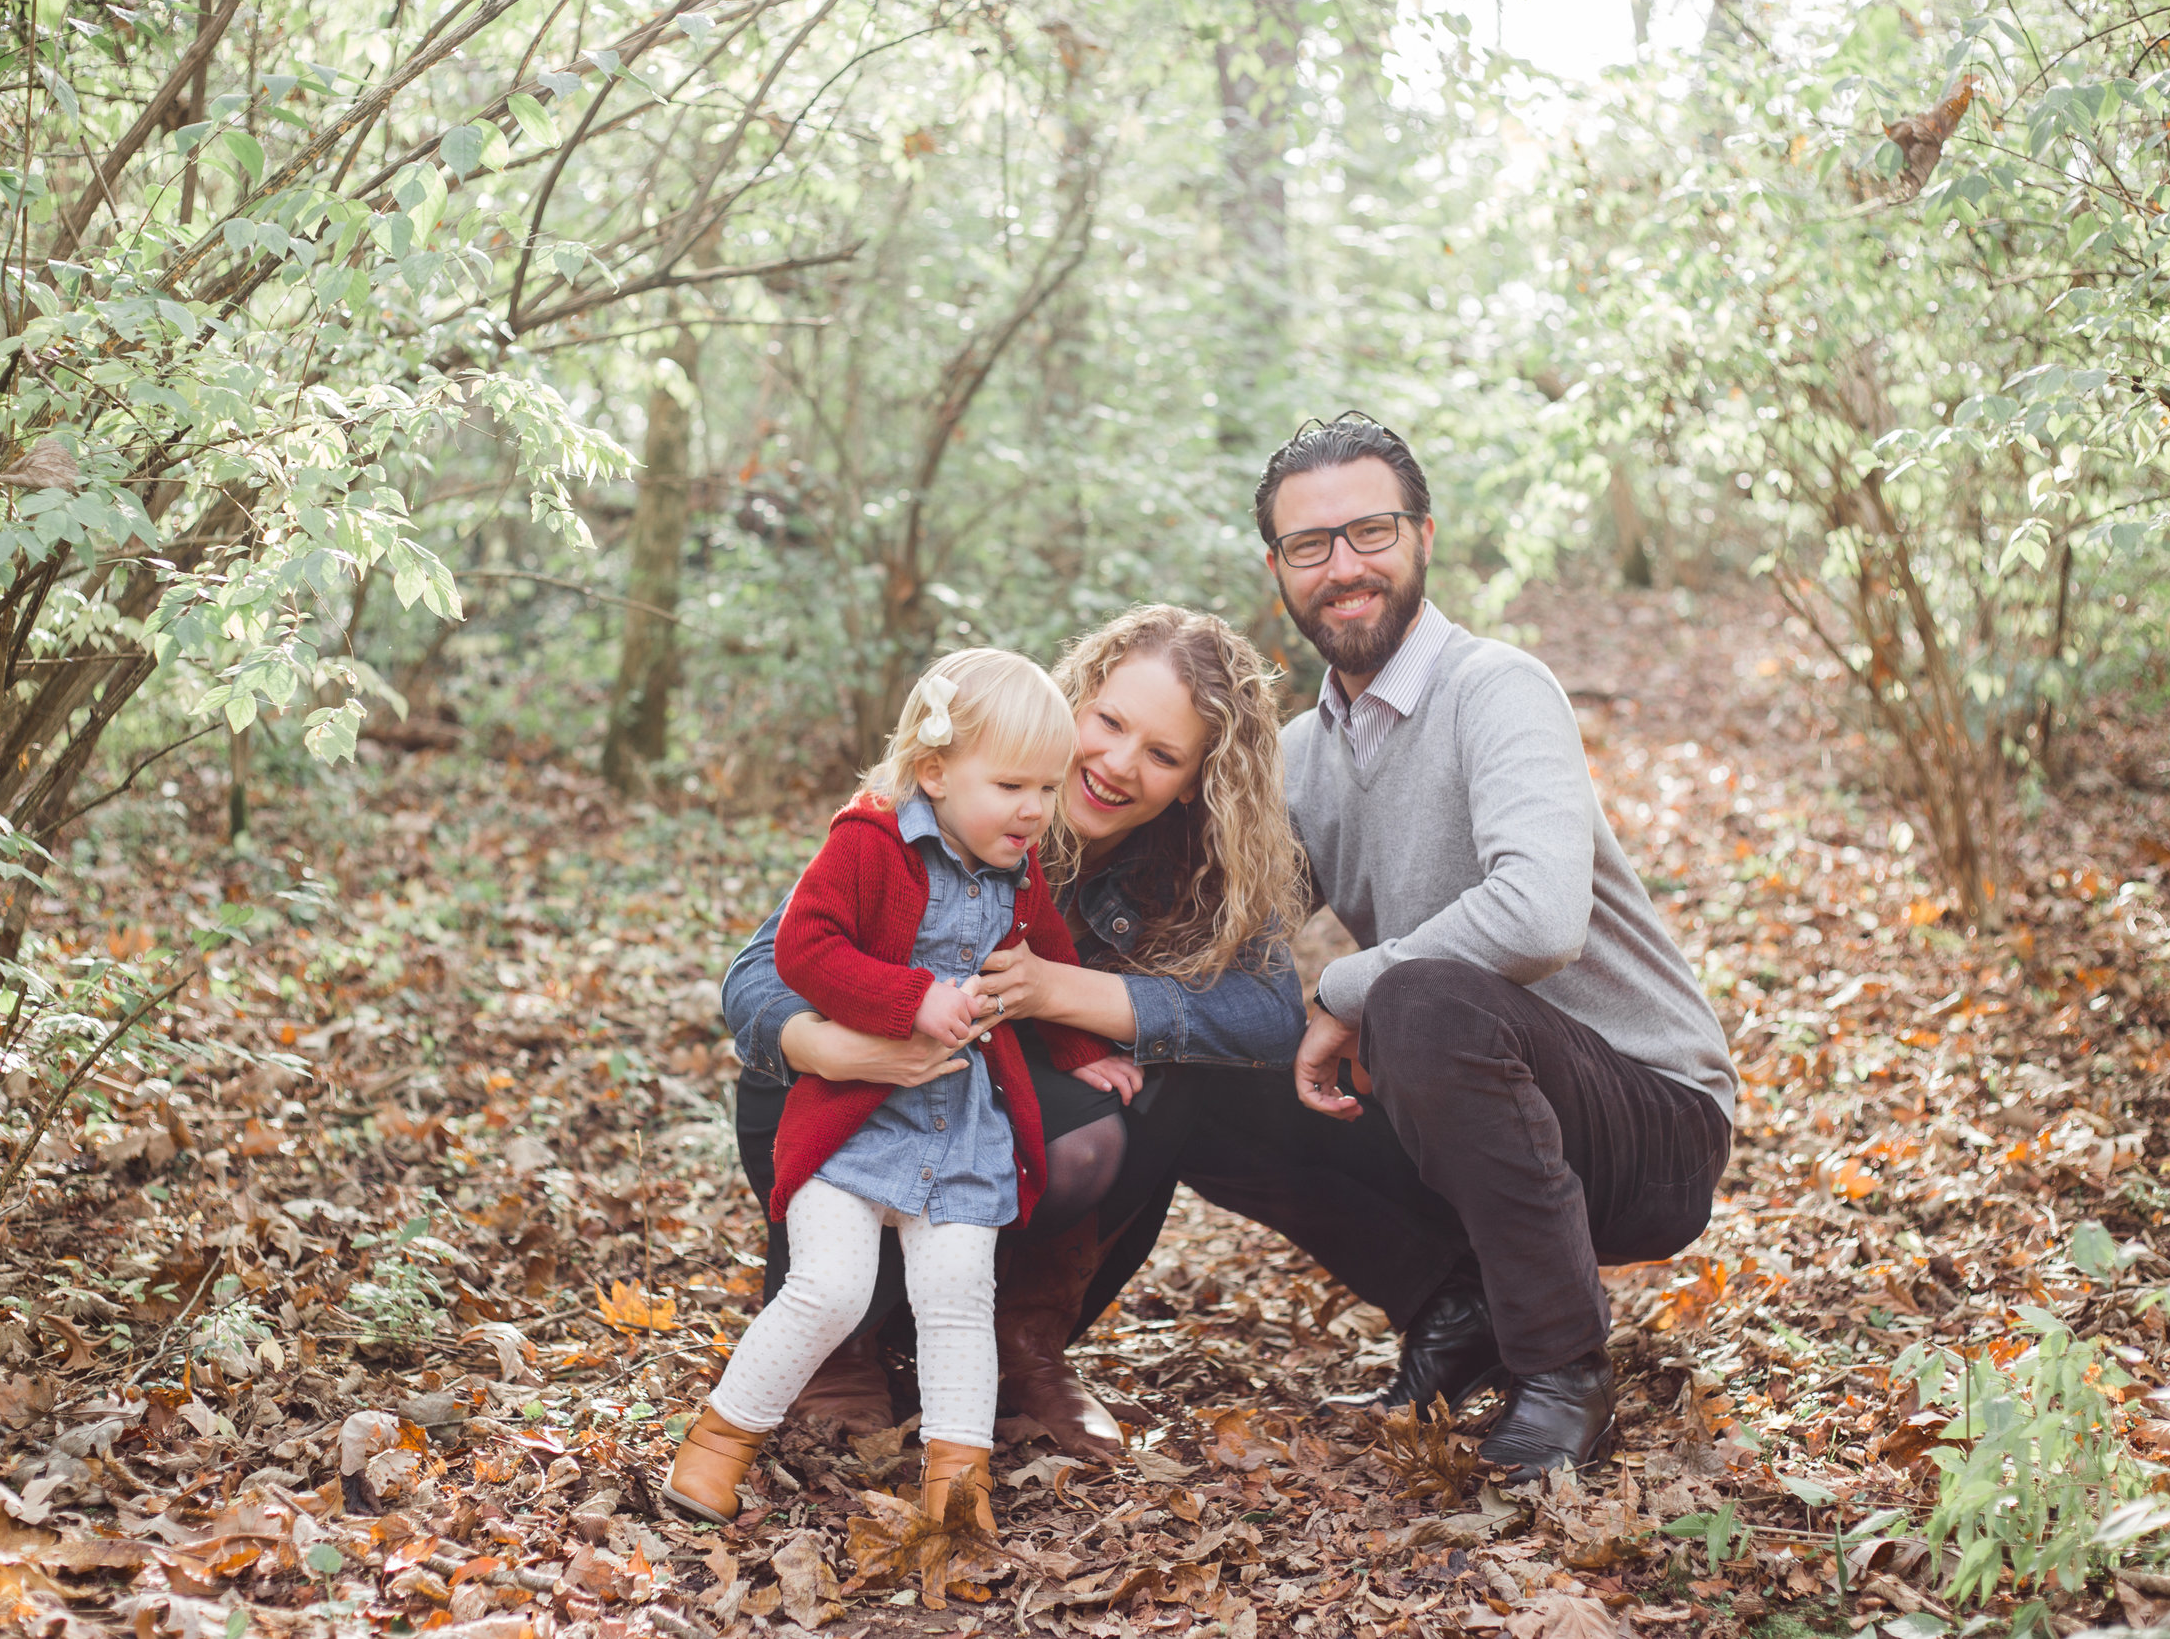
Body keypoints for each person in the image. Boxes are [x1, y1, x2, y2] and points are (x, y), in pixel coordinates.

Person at [723, 606, 1387, 1461]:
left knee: (1172, 1069)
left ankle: (1020, 1345)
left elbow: (1267, 1014)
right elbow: (759, 970)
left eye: (1162, 754)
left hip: (981, 1117)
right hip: (848, 1100)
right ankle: (838, 1346)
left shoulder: (1193, 864)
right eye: (1108, 722)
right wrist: (829, 1044)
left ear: (1194, 780)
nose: (1115, 764)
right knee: (831, 1061)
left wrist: (1061, 990)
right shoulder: (940, 791)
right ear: (1073, 700)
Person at [1262, 412, 1739, 1482]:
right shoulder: (1298, 757)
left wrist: (1344, 985)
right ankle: (1463, 1302)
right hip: (1472, 1102)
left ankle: (1562, 1368)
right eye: (1310, 545)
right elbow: (1222, 930)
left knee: (1422, 1000)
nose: (1343, 567)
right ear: (1278, 569)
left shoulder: (1498, 688)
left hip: (1650, 1118)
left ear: (1423, 534)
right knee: (1213, 1069)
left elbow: (1534, 917)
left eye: (1369, 532)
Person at [661, 650, 1127, 1532]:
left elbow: (1048, 960)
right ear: (935, 770)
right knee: (830, 1286)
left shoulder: (1017, 872)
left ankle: (957, 1489)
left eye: (1047, 787)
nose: (1035, 810)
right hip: (856, 1124)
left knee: (958, 1298)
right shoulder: (869, 842)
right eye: (1012, 785)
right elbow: (806, 948)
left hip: (959, 1129)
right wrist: (912, 999)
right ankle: (716, 1444)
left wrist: (1075, 1047)